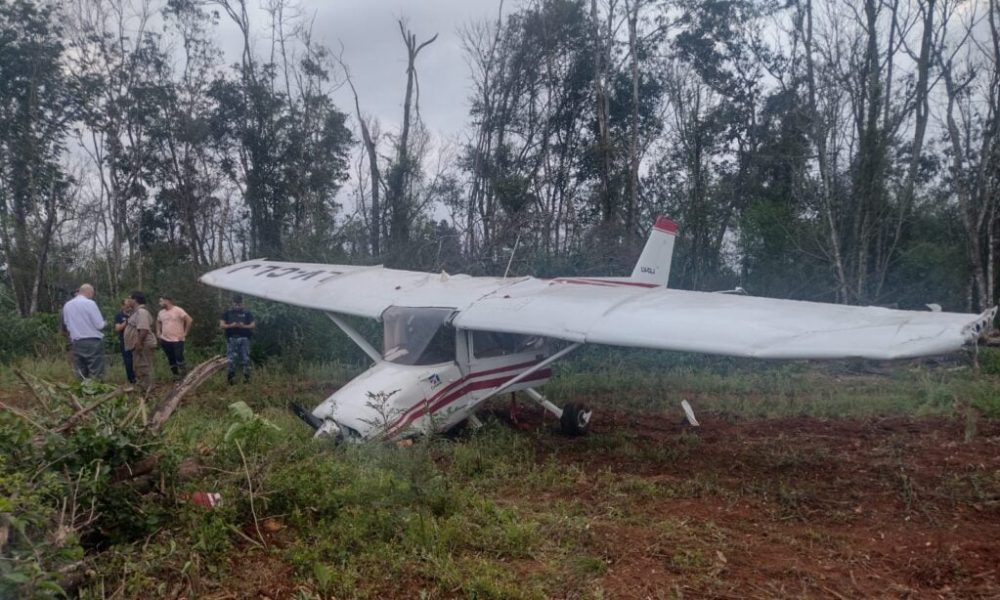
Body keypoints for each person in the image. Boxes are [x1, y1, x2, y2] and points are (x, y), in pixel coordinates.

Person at [61, 284, 106, 380]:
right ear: (89, 292)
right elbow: (99, 325)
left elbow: (67, 324)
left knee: (80, 370)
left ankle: (81, 391)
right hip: (92, 341)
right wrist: (105, 323)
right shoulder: (90, 303)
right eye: (92, 293)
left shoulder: (67, 305)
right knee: (95, 370)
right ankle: (95, 392)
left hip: (76, 341)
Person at [124, 291, 157, 395]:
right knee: (140, 367)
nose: (127, 301)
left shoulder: (141, 312)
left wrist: (139, 343)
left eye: (129, 298)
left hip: (143, 345)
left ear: (135, 300)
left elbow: (143, 329)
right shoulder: (135, 312)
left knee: (144, 367)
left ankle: (148, 391)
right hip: (139, 344)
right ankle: (144, 389)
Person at [220, 294, 255, 385]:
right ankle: (231, 379)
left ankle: (246, 379)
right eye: (236, 304)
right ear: (233, 303)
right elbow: (222, 325)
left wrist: (244, 326)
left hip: (244, 339)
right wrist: (231, 325)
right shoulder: (227, 313)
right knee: (231, 359)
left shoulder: (247, 313)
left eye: (239, 304)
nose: (237, 306)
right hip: (232, 339)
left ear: (242, 303)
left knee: (245, 359)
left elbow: (253, 325)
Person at [156, 296, 193, 380]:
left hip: (177, 339)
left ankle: (184, 375)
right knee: (170, 357)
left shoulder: (178, 310)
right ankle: (175, 375)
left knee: (179, 356)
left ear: (167, 301)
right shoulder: (161, 312)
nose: (160, 303)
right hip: (165, 339)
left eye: (161, 301)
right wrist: (158, 332)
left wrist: (185, 333)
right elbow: (158, 321)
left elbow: (189, 320)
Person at [113, 299, 136, 384]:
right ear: (122, 306)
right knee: (128, 361)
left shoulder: (136, 313)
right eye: (127, 306)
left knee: (138, 361)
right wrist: (127, 321)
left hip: (136, 341)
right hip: (125, 342)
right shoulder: (119, 315)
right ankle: (131, 380)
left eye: (130, 305)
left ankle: (140, 379)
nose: (128, 307)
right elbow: (117, 328)